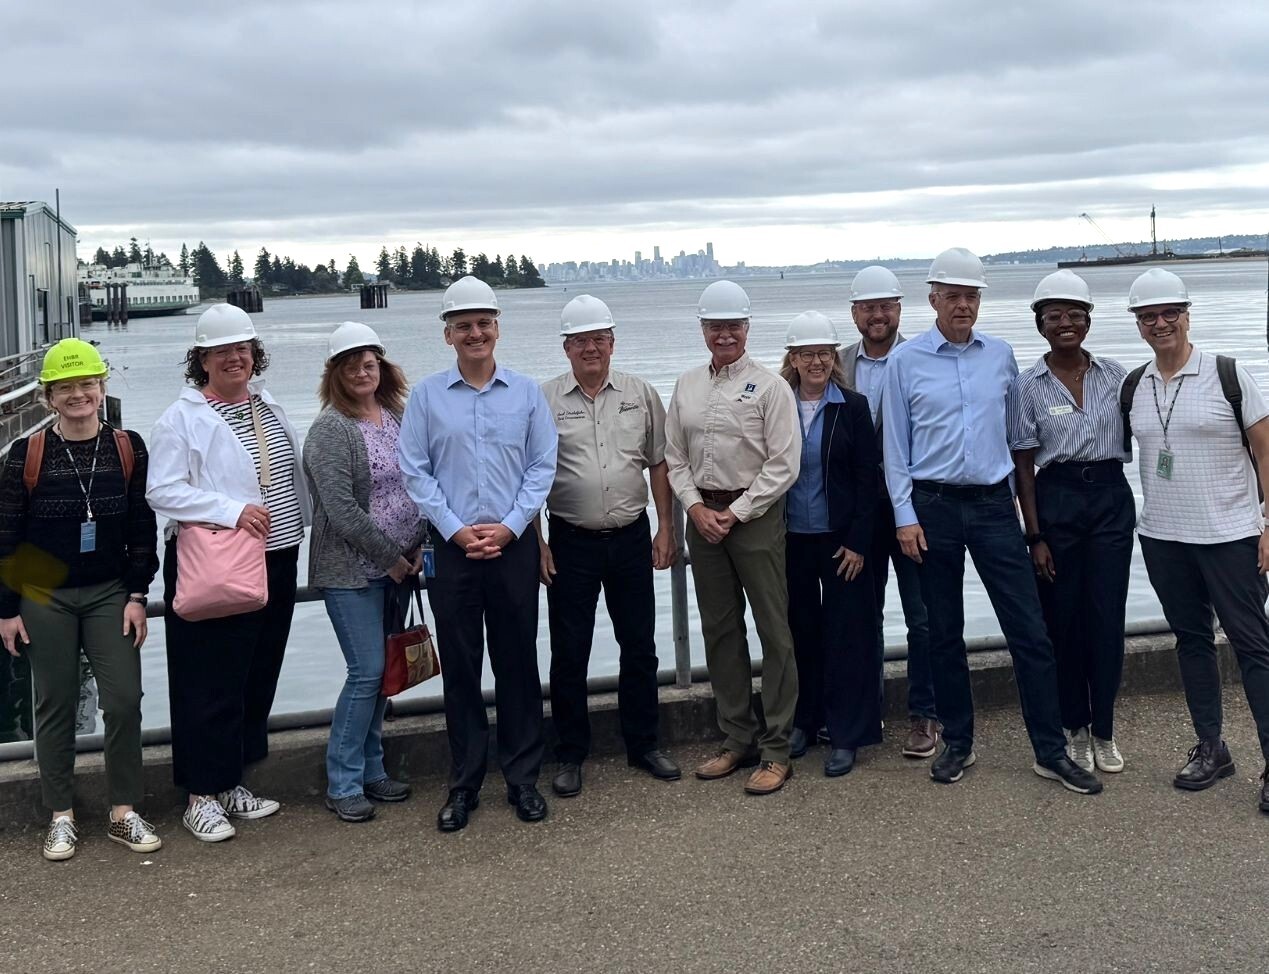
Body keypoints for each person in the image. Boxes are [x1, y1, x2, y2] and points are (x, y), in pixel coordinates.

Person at [881, 247, 1101, 795]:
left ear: (981, 300)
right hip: (932, 508)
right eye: (952, 296)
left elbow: (1016, 435)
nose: (963, 305)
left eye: (971, 296)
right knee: (943, 633)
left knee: (1029, 630)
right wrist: (904, 516)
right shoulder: (905, 363)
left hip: (992, 506)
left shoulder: (1000, 356)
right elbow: (894, 448)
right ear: (932, 299)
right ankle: (959, 740)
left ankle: (1050, 750)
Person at [398, 276, 558, 831]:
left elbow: (542, 468)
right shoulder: (425, 397)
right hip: (454, 549)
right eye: (463, 325)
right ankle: (464, 783)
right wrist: (456, 530)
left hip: (512, 546)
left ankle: (523, 780)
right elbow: (415, 471)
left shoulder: (527, 393)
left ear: (497, 329)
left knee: (517, 664)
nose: (475, 333)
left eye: (484, 323)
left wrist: (513, 528)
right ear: (448, 335)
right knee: (462, 669)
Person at [147, 304, 311, 841]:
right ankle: (201, 794)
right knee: (207, 679)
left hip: (277, 557)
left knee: (256, 674)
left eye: (242, 349)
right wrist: (230, 510)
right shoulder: (181, 418)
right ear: (202, 360)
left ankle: (232, 779)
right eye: (221, 351)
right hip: (217, 563)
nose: (234, 358)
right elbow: (162, 490)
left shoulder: (268, 406)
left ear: (254, 354)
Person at [0, 339, 160, 860]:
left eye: (87, 384)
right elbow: (6, 536)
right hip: (44, 591)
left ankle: (124, 811)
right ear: (48, 397)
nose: (78, 395)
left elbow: (142, 527)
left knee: (122, 699)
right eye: (65, 387)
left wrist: (139, 592)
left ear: (101, 389)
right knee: (55, 702)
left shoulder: (128, 447)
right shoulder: (27, 454)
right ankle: (61, 813)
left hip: (111, 590)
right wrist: (6, 608)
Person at [1122, 268, 1269, 812]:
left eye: (1169, 314)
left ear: (1187, 315)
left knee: (1255, 647)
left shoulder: (1228, 375)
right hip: (1163, 537)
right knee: (1192, 642)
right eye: (1147, 317)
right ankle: (1212, 748)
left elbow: (1265, 450)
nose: (1160, 324)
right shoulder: (1134, 386)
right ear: (1138, 324)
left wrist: (1268, 524)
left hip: (1230, 535)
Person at [537, 295, 681, 798]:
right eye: (580, 341)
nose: (590, 348)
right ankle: (570, 753)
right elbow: (528, 477)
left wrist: (667, 528)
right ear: (566, 347)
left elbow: (659, 463)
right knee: (569, 652)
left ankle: (643, 744)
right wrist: (538, 542)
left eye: (599, 339)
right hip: (570, 540)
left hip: (630, 537)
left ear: (613, 342)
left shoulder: (640, 394)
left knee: (639, 647)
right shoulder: (545, 399)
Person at [665, 280, 801, 795]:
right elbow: (674, 455)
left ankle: (776, 748)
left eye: (733, 326)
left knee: (774, 631)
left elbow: (783, 463)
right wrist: (695, 507)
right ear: (703, 330)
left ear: (747, 329)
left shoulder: (770, 387)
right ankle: (736, 738)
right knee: (721, 630)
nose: (724, 334)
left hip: (756, 516)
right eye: (715, 326)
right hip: (703, 516)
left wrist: (738, 511)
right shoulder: (687, 385)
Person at [1009, 270, 1133, 774]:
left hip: (1109, 497)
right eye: (1054, 316)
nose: (1066, 324)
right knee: (1062, 619)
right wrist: (1034, 535)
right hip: (1056, 499)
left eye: (1075, 315)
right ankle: (1073, 727)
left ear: (1088, 321)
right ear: (1039, 324)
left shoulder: (1117, 375)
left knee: (1107, 617)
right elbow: (1023, 466)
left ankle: (1103, 729)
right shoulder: (1026, 385)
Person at [304, 322, 426, 823]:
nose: (362, 370)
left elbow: (421, 480)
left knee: (385, 675)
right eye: (350, 363)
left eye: (369, 361)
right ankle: (343, 781)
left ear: (382, 365)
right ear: (335, 373)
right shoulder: (330, 430)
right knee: (366, 672)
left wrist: (417, 546)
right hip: (352, 571)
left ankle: (373, 770)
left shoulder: (396, 415)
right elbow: (340, 510)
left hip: (401, 566)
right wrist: (392, 558)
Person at [840, 265, 939, 760]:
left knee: (922, 616)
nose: (877, 315)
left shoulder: (924, 357)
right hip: (857, 514)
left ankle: (926, 714)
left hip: (915, 508)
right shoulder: (834, 363)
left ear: (901, 309)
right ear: (854, 312)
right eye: (868, 307)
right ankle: (865, 712)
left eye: (886, 306)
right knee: (862, 617)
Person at [780, 312, 879, 777]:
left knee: (848, 636)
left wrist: (860, 541)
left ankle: (846, 734)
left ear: (833, 357)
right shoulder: (776, 403)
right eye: (806, 354)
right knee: (801, 633)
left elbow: (867, 477)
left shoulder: (853, 406)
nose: (816, 362)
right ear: (793, 359)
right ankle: (805, 721)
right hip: (792, 540)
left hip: (843, 543)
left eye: (824, 353)